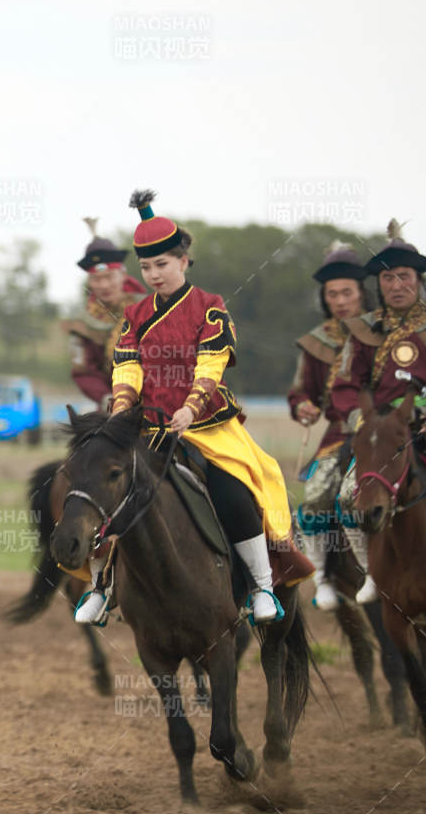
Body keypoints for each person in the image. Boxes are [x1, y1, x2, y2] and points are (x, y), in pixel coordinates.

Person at [74, 189, 311, 626]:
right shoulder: (135, 315)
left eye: (162, 264)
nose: (154, 274)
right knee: (104, 489)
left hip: (206, 425)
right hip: (146, 427)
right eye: (146, 267)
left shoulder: (210, 307)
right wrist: (124, 410)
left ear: (183, 261)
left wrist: (190, 408)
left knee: (233, 489)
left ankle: (260, 586)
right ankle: (101, 586)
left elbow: (212, 363)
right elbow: (126, 367)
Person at [329, 219, 426, 603]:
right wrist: (361, 422)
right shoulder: (362, 331)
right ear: (379, 285)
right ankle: (373, 572)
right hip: (379, 436)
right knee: (343, 495)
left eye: (403, 277)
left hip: (423, 430)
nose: (396, 286)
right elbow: (345, 386)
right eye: (388, 280)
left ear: (417, 279)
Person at [288, 242, 373, 609]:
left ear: (361, 293)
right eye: (332, 294)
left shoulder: (383, 331)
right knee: (319, 497)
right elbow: (299, 392)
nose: (340, 301)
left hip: (387, 430)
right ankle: (322, 578)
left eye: (347, 293)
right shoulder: (316, 343)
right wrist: (303, 406)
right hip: (339, 434)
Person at [67, 217, 147, 409]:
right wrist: (107, 399)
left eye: (109, 277)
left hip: (157, 396)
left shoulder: (148, 308)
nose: (103, 285)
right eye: (96, 279)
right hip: (112, 404)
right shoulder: (82, 324)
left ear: (122, 274)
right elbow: (83, 372)